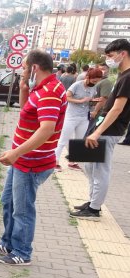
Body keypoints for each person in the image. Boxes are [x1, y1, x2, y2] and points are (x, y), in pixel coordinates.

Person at [0, 49, 67, 265]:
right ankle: (8, 242)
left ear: (35, 68)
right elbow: (27, 112)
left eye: (24, 67)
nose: (22, 71)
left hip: (31, 162)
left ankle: (22, 252)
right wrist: (23, 89)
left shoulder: (49, 91)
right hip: (22, 160)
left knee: (22, 209)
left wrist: (16, 152)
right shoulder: (41, 88)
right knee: (8, 201)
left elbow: (46, 129)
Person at [70, 39, 130, 218]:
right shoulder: (122, 75)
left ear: (123, 53)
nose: (108, 60)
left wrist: (97, 132)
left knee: (100, 169)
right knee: (89, 166)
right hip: (100, 127)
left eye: (110, 56)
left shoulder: (128, 78)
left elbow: (117, 109)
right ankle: (92, 201)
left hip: (108, 131)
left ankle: (94, 208)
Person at [55, 68, 103, 171]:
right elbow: (66, 97)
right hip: (71, 116)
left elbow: (89, 101)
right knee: (63, 139)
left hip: (84, 117)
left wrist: (93, 101)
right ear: (88, 77)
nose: (95, 83)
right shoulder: (77, 85)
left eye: (97, 81)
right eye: (94, 81)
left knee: (78, 140)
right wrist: (80, 100)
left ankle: (73, 162)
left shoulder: (93, 88)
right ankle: (55, 161)